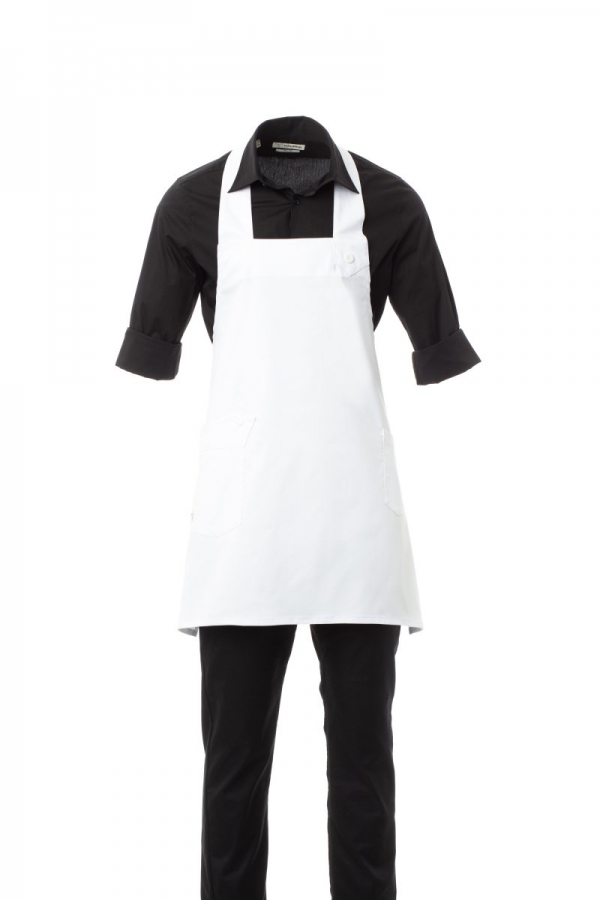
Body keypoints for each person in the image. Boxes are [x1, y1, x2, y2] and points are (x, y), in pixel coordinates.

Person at [116, 115, 481, 899]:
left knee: (364, 765)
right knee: (233, 765)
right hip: (245, 526)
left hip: (354, 520)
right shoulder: (192, 205)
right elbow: (153, 345)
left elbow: (437, 346)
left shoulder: (388, 204)